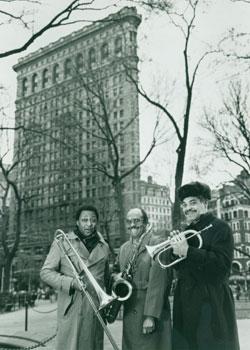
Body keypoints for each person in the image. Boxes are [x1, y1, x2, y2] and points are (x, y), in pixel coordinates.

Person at [170, 181, 240, 350]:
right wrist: (175, 251)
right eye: (184, 205)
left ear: (205, 203)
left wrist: (188, 251)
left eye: (193, 203)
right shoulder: (187, 231)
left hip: (211, 302)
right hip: (186, 303)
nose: (188, 208)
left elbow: (222, 267)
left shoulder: (220, 228)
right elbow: (182, 269)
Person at [40, 205, 110, 350]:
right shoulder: (62, 242)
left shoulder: (104, 247)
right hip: (71, 309)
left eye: (93, 220)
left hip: (94, 309)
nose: (89, 224)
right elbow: (45, 272)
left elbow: (106, 278)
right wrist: (71, 283)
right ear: (77, 222)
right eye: (84, 220)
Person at [116, 207, 172, 350]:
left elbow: (158, 283)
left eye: (137, 221)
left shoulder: (157, 243)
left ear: (146, 223)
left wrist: (150, 316)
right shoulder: (124, 248)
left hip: (150, 311)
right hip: (130, 312)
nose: (132, 225)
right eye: (129, 221)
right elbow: (119, 274)